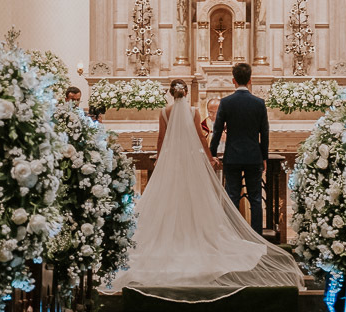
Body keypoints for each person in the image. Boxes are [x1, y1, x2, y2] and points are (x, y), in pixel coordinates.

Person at [105, 75, 302, 301]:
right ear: (187, 93)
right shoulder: (192, 112)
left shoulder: (163, 112)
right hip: (190, 162)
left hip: (171, 162)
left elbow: (161, 139)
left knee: (169, 198)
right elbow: (200, 137)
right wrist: (209, 158)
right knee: (193, 198)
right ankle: (193, 233)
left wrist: (160, 159)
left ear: (170, 93)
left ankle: (172, 235)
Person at [209, 62, 269, 234]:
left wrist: (212, 154)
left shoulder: (226, 103)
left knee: (232, 197)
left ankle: (233, 234)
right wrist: (263, 157)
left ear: (233, 80)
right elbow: (264, 133)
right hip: (253, 156)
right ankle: (257, 236)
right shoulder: (259, 103)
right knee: (256, 199)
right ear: (250, 80)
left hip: (232, 156)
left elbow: (217, 130)